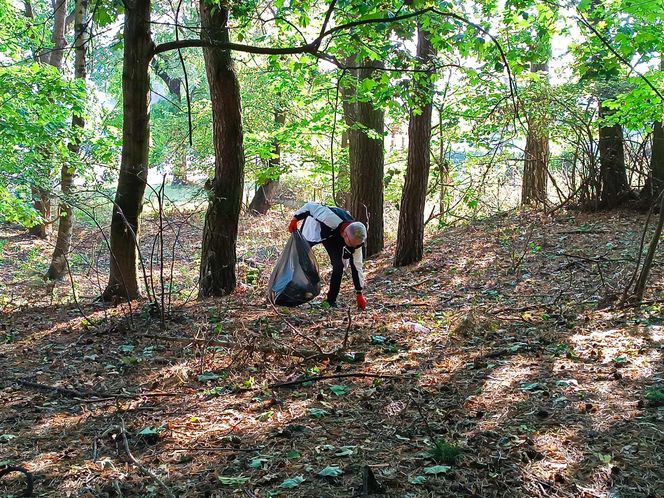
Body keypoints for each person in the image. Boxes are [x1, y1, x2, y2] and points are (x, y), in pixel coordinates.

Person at [288, 202, 368, 310]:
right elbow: (310, 207)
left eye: (355, 245)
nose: (353, 248)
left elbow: (357, 266)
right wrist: (295, 218)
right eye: (351, 245)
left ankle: (331, 301)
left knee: (339, 266)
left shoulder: (356, 238)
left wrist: (359, 293)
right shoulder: (329, 217)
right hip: (315, 227)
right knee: (301, 259)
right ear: (345, 235)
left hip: (333, 237)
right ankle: (292, 291)